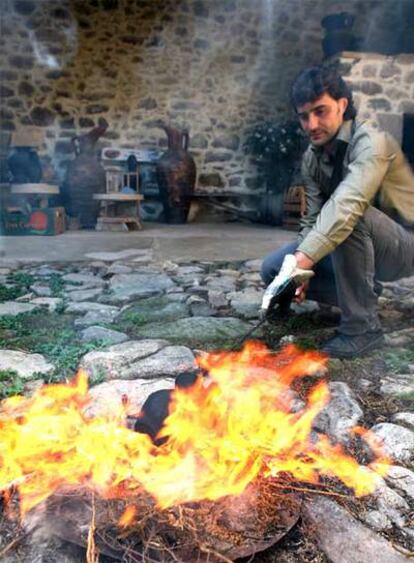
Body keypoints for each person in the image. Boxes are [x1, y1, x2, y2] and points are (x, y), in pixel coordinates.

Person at [261, 65, 414, 359]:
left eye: (320, 111)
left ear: (342, 105)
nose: (311, 124)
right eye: (304, 116)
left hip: (402, 245)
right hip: (358, 243)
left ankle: (363, 328)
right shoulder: (312, 157)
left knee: (348, 218)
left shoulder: (372, 141)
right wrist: (298, 269)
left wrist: (304, 260)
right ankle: (364, 295)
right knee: (272, 268)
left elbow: (348, 204)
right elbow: (311, 218)